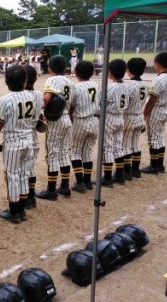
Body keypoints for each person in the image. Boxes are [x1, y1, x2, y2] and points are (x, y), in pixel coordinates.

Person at [0, 65, 43, 223]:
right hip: (29, 139)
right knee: (24, 174)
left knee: (12, 175)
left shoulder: (4, 100)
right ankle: (21, 211)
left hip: (13, 142)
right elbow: (37, 120)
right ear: (25, 81)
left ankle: (14, 212)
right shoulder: (33, 97)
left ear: (7, 81)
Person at [36, 55, 75, 200]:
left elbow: (47, 98)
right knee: (64, 152)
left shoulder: (52, 79)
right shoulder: (71, 82)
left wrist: (39, 110)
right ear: (65, 68)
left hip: (56, 121)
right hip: (66, 119)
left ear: (49, 68)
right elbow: (73, 104)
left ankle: (51, 190)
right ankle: (64, 187)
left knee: (52, 154)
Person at [141, 52, 167, 174]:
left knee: (154, 139)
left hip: (157, 109)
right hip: (166, 108)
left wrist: (144, 114)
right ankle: (160, 165)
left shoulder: (158, 79)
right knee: (160, 137)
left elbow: (151, 100)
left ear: (157, 64)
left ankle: (154, 166)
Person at [69, 61, 101, 192]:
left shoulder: (76, 88)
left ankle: (80, 182)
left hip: (80, 121)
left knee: (75, 151)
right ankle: (88, 181)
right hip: (94, 120)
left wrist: (70, 118)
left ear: (76, 73)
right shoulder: (97, 85)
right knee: (87, 151)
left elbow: (71, 106)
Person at [101, 59, 128, 186]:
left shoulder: (110, 87)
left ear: (110, 72)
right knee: (118, 146)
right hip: (120, 118)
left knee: (107, 147)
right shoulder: (125, 86)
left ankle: (107, 177)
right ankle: (119, 174)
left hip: (109, 118)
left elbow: (100, 103)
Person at [122, 58, 148, 180]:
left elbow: (124, 104)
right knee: (135, 144)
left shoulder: (129, 86)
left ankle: (126, 171)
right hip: (139, 117)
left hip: (129, 117)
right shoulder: (145, 85)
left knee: (126, 144)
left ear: (128, 70)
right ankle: (136, 170)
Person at [23, 65, 45, 207]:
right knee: (31, 168)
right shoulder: (39, 95)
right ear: (36, 78)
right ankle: (31, 197)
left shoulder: (17, 96)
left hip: (21, 135)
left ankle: (23, 199)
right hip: (33, 135)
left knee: (20, 170)